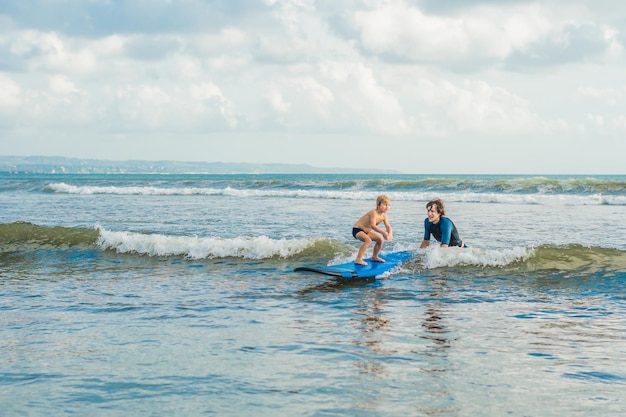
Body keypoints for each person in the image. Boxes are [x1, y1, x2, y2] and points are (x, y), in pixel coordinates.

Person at [352, 195, 393, 265]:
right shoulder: (373, 213)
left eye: (389, 205)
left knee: (380, 239)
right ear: (378, 205)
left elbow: (388, 226)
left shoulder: (384, 216)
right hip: (357, 229)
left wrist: (390, 234)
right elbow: (373, 226)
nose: (387, 207)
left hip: (366, 232)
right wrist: (383, 232)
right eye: (385, 205)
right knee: (368, 240)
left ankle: (374, 257)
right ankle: (358, 259)